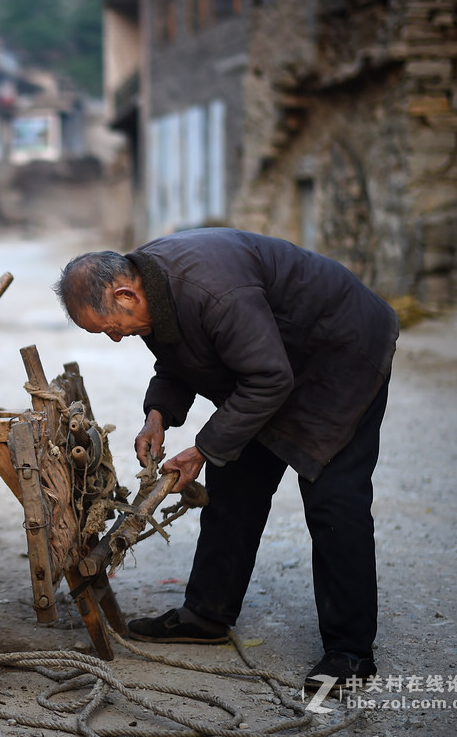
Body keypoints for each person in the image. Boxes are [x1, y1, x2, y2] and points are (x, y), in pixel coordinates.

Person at [53, 228, 398, 692]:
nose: (116, 339)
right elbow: (178, 360)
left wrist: (202, 449)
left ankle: (351, 654)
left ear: (124, 292)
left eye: (111, 328)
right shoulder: (149, 289)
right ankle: (207, 615)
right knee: (234, 482)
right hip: (270, 364)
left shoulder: (212, 290)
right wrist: (158, 416)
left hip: (339, 355)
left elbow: (269, 380)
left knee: (334, 502)